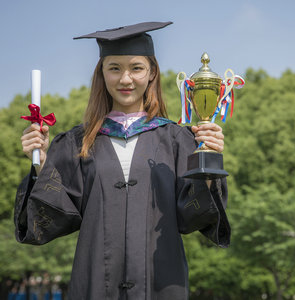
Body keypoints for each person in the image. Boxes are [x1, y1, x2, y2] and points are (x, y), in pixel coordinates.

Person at [15, 21, 230, 299]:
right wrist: (41, 163)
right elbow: (52, 218)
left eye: (136, 68)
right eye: (114, 68)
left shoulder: (178, 140)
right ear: (101, 74)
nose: (125, 79)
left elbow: (193, 217)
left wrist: (208, 164)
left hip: (161, 283)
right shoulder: (77, 143)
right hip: (95, 282)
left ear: (152, 72)